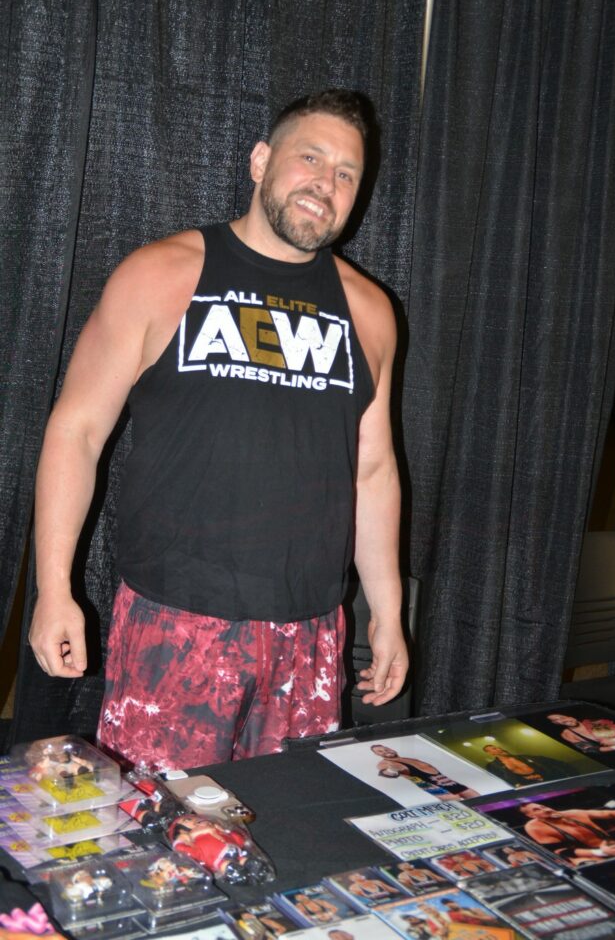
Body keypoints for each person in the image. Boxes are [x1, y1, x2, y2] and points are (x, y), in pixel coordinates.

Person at [28, 88, 408, 769]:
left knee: (289, 838)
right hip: (176, 625)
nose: (325, 183)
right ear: (260, 161)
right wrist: (53, 588)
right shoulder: (161, 275)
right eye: (309, 158)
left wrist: (386, 611)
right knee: (158, 844)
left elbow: (372, 470)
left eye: (346, 174)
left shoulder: (370, 313)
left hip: (311, 633)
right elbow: (76, 431)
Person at [518, 801, 615, 866]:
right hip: (589, 855)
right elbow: (561, 851)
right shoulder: (535, 827)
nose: (544, 809)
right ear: (531, 816)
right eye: (536, 810)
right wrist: (599, 852)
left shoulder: (572, 813)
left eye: (542, 806)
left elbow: (608, 814)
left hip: (613, 844)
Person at [370, 743, 479, 800]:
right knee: (460, 807)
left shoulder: (408, 758)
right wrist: (392, 770)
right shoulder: (385, 763)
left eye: (386, 748)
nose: (385, 751)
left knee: (483, 802)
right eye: (380, 751)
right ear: (377, 754)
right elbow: (386, 773)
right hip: (431, 786)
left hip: (449, 782)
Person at [481, 744, 573, 787]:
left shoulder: (524, 757)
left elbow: (556, 763)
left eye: (497, 747)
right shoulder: (493, 766)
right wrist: (519, 783)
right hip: (527, 785)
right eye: (494, 749)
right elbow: (501, 779)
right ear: (490, 753)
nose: (498, 749)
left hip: (547, 778)